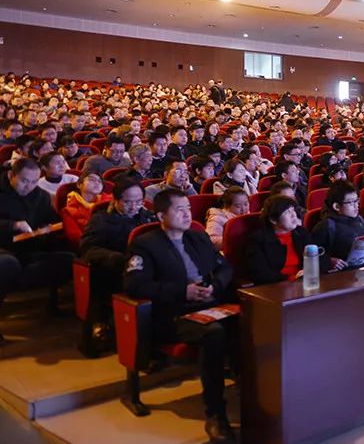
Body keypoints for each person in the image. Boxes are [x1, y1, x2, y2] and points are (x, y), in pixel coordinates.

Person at [124, 189, 237, 443]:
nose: (187, 214)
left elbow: (224, 268)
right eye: (179, 210)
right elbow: (135, 285)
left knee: (254, 319)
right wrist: (182, 291)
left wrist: (215, 286)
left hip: (210, 303)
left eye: (188, 208)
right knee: (214, 333)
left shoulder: (197, 237)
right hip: (174, 315)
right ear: (161, 215)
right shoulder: (145, 244)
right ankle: (216, 414)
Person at [79, 178, 155, 350]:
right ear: (116, 200)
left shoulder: (147, 216)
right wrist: (117, 258)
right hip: (116, 268)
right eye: (128, 202)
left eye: (138, 201)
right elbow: (88, 249)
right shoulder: (102, 219)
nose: (134, 206)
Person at [0, 158, 73, 327]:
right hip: (3, 248)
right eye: (24, 181)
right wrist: (13, 225)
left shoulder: (39, 195)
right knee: (7, 264)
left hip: (28, 248)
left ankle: (52, 304)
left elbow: (51, 220)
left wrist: (47, 229)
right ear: (11, 175)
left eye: (34, 182)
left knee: (67, 259)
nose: (29, 186)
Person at [245, 195, 337, 285]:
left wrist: (308, 271)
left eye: (293, 210)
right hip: (276, 287)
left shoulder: (301, 233)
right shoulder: (258, 240)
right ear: (273, 220)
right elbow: (260, 273)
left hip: (303, 283)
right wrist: (291, 278)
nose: (294, 215)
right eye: (287, 212)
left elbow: (320, 257)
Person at [310, 181, 364, 267]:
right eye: (351, 202)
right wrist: (329, 261)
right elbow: (311, 256)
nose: (356, 205)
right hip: (341, 275)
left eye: (357, 200)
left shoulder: (360, 220)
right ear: (337, 206)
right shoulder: (326, 226)